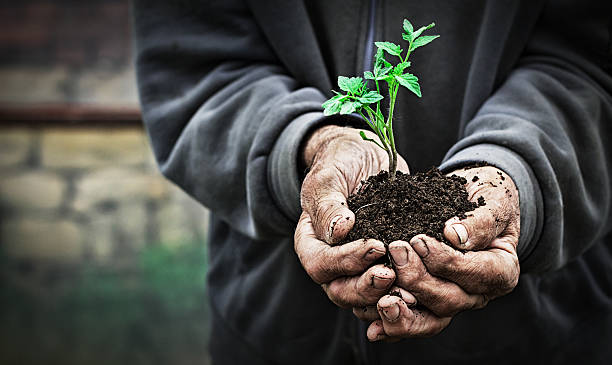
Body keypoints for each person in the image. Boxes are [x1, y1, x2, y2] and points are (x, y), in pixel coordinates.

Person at [133, 0, 612, 364]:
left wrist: (518, 173)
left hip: (537, 337)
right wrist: (309, 144)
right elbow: (197, 68)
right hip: (274, 330)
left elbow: (588, 61)